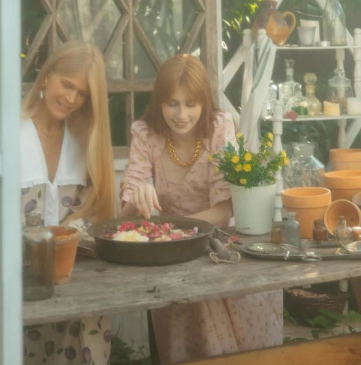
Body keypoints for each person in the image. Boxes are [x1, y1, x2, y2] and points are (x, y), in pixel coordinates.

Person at [121, 54, 282, 364]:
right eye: (172, 103)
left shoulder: (219, 127)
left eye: (191, 104)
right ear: (159, 103)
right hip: (173, 259)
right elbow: (126, 212)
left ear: (204, 103)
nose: (182, 114)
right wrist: (137, 196)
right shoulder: (145, 133)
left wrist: (169, 228)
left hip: (222, 251)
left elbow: (224, 210)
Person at [22, 41, 115, 365]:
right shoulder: (10, 130)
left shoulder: (84, 139)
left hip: (77, 278)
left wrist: (67, 236)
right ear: (47, 75)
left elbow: (96, 210)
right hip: (20, 278)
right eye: (68, 85)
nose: (71, 98)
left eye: (82, 94)